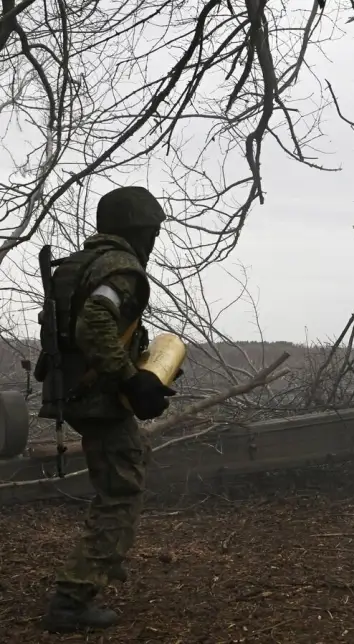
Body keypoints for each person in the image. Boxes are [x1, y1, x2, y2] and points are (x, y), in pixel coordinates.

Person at [37, 186, 177, 632]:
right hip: (98, 396)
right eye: (151, 232)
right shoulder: (120, 269)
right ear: (136, 230)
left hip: (76, 391)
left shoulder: (82, 263)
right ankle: (71, 601)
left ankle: (99, 566)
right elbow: (94, 321)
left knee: (127, 467)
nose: (154, 241)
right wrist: (132, 379)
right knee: (120, 495)